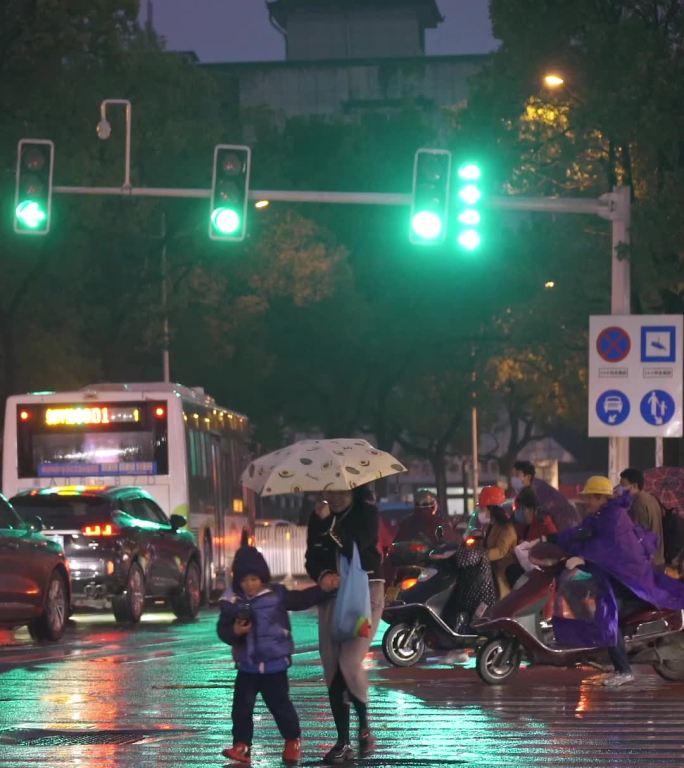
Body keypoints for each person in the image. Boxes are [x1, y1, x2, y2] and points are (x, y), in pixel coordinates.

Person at [556, 476, 684, 688]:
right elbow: (584, 534)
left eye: (589, 497)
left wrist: (583, 556)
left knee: (607, 616)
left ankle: (624, 670)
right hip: (621, 579)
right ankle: (615, 661)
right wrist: (559, 540)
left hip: (632, 583)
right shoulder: (603, 515)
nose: (586, 501)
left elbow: (606, 548)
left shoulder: (614, 517)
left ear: (599, 498)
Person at [217, 545, 336, 766]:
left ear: (262, 578)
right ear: (238, 581)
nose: (250, 584)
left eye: (254, 579)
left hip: (274, 666)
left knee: (280, 706)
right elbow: (223, 630)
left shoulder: (276, 595)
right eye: (245, 580)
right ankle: (242, 745)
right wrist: (234, 632)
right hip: (247, 667)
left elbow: (301, 599)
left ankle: (292, 739)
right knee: (241, 709)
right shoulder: (232, 604)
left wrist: (323, 588)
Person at [305, 486, 384, 764]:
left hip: (365, 594)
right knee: (332, 667)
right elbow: (311, 557)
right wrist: (322, 574)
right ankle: (343, 741)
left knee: (350, 661)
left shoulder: (366, 513)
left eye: (342, 492)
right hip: (331, 598)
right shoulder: (318, 516)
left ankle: (364, 725)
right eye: (330, 492)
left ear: (354, 491)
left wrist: (329, 523)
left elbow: (356, 546)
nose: (336, 498)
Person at [507, 486, 558, 586]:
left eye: (520, 508)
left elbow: (553, 546)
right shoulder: (520, 525)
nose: (518, 512)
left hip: (542, 568)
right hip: (526, 566)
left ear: (529, 509)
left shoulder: (544, 523)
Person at [512, 459, 581, 531]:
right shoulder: (526, 492)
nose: (513, 478)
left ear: (528, 477)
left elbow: (541, 517)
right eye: (512, 475)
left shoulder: (539, 491)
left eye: (517, 474)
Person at [619, 468, 665, 566]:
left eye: (623, 485)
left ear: (634, 485)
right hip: (657, 557)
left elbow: (638, 534)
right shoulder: (651, 498)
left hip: (648, 562)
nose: (620, 489)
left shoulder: (638, 503)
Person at [478, 485, 518, 598]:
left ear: (492, 508)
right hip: (489, 569)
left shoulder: (506, 528)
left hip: (501, 573)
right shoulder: (490, 526)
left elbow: (500, 551)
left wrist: (480, 556)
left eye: (482, 508)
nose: (481, 511)